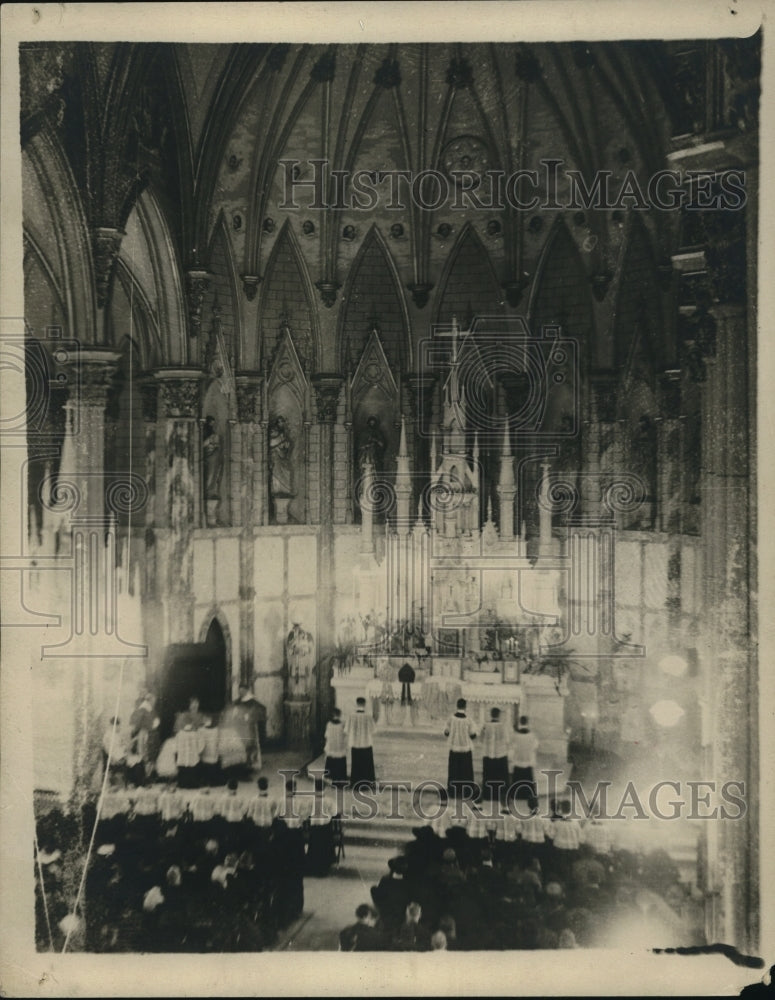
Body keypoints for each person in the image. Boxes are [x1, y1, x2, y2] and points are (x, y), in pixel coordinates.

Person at [444, 698, 477, 799]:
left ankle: (453, 792)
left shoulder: (451, 718)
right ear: (465, 707)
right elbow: (472, 735)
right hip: (465, 749)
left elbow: (446, 732)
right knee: (466, 771)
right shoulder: (468, 720)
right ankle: (466, 792)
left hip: (454, 748)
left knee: (454, 771)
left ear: (457, 706)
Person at [479, 707, 510, 804]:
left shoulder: (485, 725)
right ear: (499, 715)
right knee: (500, 776)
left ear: (491, 714)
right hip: (500, 754)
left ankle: (488, 795)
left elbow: (480, 739)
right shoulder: (503, 726)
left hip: (488, 754)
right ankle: (500, 796)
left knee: (488, 775)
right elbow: (507, 740)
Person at [346, 697, 376, 789]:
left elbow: (346, 730)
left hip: (355, 743)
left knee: (356, 764)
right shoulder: (368, 716)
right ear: (364, 704)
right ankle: (368, 784)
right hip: (366, 743)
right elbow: (373, 730)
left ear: (357, 704)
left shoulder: (351, 715)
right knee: (367, 764)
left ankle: (355, 784)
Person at [510, 715, 539, 811]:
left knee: (517, 778)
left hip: (518, 761)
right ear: (527, 723)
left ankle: (517, 795)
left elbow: (512, 747)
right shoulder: (532, 735)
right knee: (528, 779)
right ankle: (528, 794)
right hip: (527, 761)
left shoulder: (515, 735)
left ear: (520, 723)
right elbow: (535, 746)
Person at [323, 707, 348, 787]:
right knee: (340, 762)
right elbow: (345, 735)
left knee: (331, 762)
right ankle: (340, 779)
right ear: (340, 715)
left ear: (333, 715)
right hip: (340, 747)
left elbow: (326, 735)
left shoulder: (329, 724)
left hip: (331, 747)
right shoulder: (342, 724)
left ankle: (331, 779)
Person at [175, 723, 205, 789]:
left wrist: (197, 752)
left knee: (191, 769)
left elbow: (201, 744)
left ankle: (190, 784)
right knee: (185, 769)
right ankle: (183, 784)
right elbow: (176, 745)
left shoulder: (195, 734)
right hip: (185, 756)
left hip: (191, 755)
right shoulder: (180, 734)